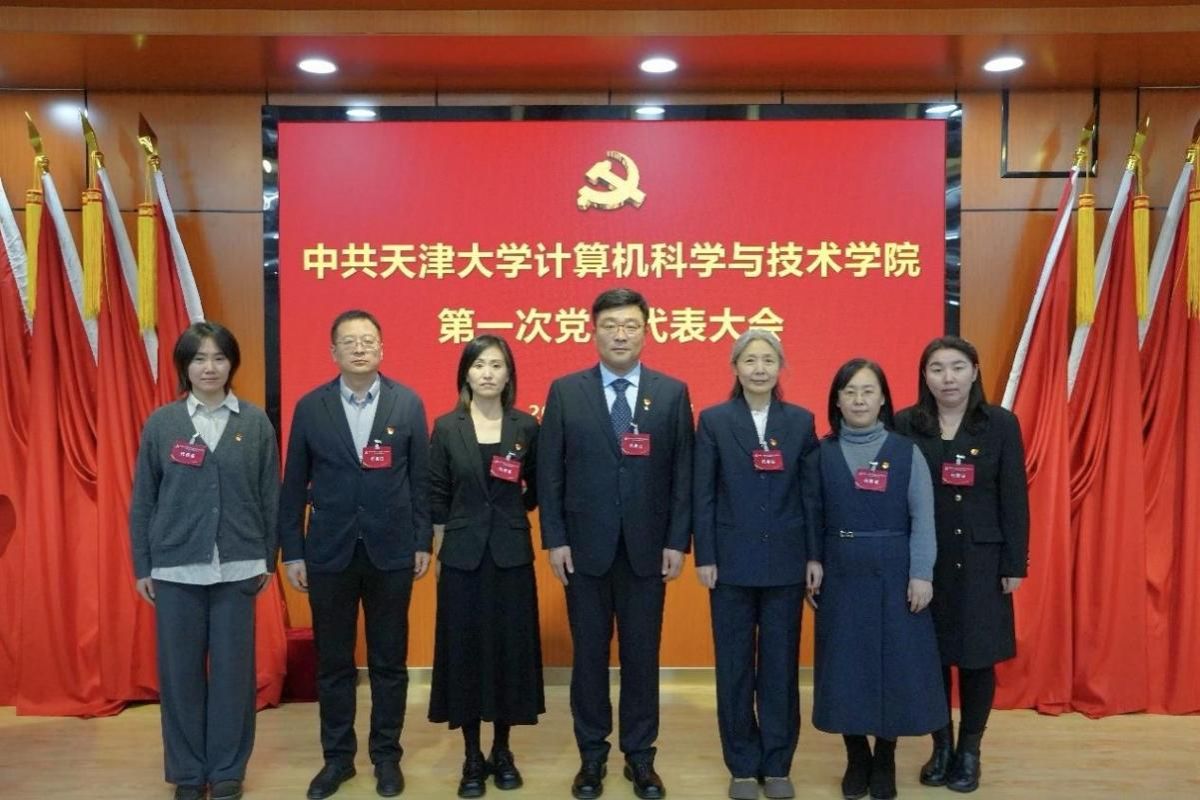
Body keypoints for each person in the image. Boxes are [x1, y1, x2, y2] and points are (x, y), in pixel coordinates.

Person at [537, 287, 694, 800]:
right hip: (583, 550)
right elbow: (550, 472)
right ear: (594, 331)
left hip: (648, 549)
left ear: (646, 332)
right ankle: (592, 756)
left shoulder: (671, 393)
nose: (620, 334)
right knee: (588, 657)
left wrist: (677, 540)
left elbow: (683, 474)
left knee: (642, 657)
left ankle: (641, 757)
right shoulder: (566, 391)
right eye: (610, 325)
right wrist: (555, 538)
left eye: (630, 326)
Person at [280, 309, 432, 800]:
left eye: (368, 340)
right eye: (350, 341)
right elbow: (293, 484)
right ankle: (338, 759)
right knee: (334, 663)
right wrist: (292, 550)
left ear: (382, 349)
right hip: (329, 552)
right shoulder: (311, 407)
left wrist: (422, 540)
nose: (360, 348)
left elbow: (420, 480)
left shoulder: (407, 403)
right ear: (334, 352)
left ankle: (386, 757)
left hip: (392, 551)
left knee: (389, 661)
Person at [130, 321, 279, 800]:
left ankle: (229, 769)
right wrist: (143, 565)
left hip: (238, 567)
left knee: (234, 677)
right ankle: (189, 773)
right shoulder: (163, 424)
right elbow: (144, 500)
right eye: (198, 359)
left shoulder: (254, 423)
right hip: (175, 568)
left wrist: (268, 558)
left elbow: (270, 496)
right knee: (180, 677)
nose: (209, 367)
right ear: (185, 366)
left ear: (232, 364)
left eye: (218, 358)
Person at [894, 336, 1029, 794]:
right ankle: (941, 747)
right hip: (925, 562)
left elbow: (1014, 497)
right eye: (937, 369)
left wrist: (1014, 562)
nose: (947, 378)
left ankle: (970, 750)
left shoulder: (1000, 424)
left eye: (957, 367)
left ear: (974, 371)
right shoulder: (906, 424)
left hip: (982, 561)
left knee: (977, 659)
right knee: (929, 658)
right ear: (924, 376)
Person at [810, 358, 948, 800]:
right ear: (837, 400)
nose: (859, 400)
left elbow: (923, 518)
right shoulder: (821, 454)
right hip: (840, 571)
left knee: (895, 666)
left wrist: (921, 573)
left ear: (883, 398)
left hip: (896, 570)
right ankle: (856, 755)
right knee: (845, 667)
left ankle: (885, 755)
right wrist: (813, 561)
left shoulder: (906, 452)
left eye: (868, 391)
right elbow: (812, 516)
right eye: (850, 392)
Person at [692, 330, 821, 800]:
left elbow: (810, 495)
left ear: (780, 366)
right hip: (729, 565)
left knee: (780, 668)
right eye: (750, 360)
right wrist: (705, 555)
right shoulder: (714, 421)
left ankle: (778, 763)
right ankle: (743, 765)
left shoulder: (800, 422)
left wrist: (813, 555)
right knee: (734, 668)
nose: (760, 368)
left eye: (768, 359)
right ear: (736, 367)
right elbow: (703, 494)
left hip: (786, 563)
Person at [428, 335, 544, 797]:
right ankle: (472, 755)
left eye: (496, 365)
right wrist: (439, 549)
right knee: (466, 653)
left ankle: (503, 749)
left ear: (509, 374)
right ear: (466, 374)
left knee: (508, 652)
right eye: (479, 365)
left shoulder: (525, 426)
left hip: (511, 556)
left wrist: (519, 503)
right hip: (462, 557)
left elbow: (538, 487)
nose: (488, 373)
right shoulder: (446, 426)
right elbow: (436, 494)